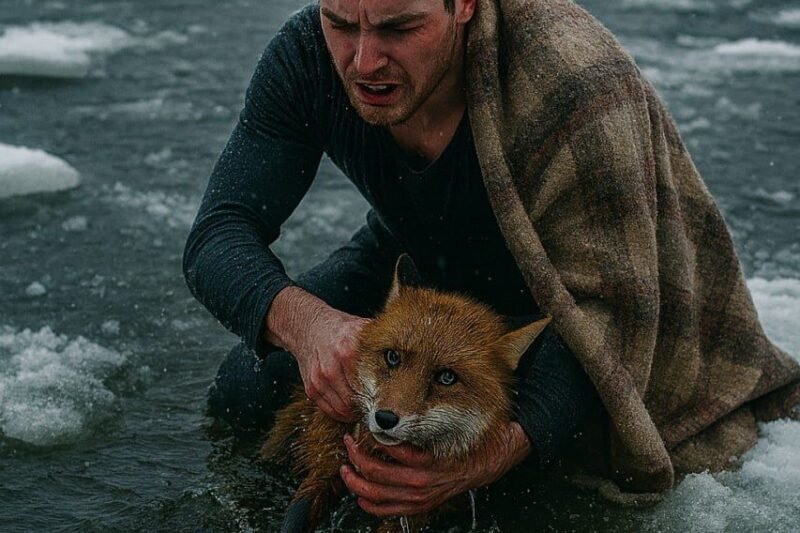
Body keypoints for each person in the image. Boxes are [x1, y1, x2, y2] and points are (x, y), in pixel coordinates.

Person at [185, 0, 800, 516]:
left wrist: (493, 454)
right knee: (245, 387)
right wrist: (308, 325)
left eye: (400, 28)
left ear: (466, 7)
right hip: (425, 251)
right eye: (342, 23)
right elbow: (218, 233)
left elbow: (614, 307)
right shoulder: (304, 57)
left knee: (537, 488)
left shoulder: (572, 81)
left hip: (582, 290)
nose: (364, 60)